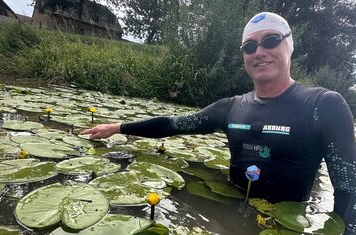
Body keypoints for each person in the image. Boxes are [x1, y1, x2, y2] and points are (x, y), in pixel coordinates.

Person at [81, 12, 356, 234]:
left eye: (270, 41)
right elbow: (173, 124)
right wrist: (118, 128)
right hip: (229, 208)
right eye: (250, 46)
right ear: (244, 56)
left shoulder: (324, 105)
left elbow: (348, 190)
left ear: (289, 46)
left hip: (287, 224)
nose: (259, 51)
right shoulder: (231, 108)